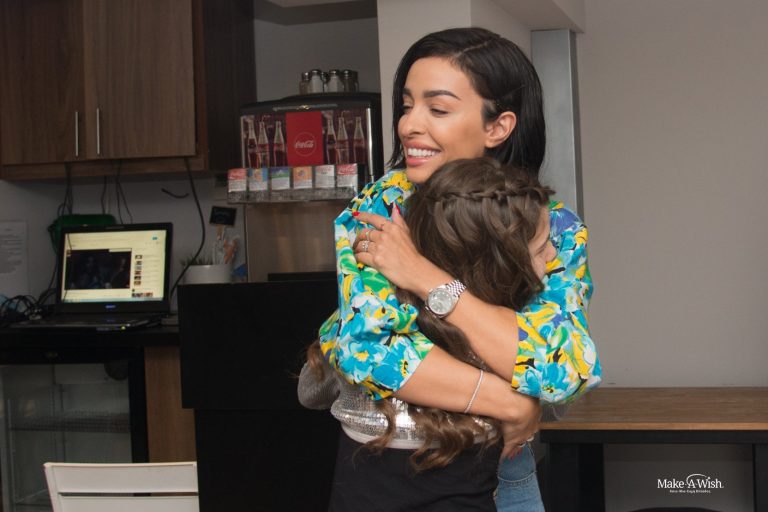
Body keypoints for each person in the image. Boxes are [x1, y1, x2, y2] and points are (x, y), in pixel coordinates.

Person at [315, 27, 601, 511]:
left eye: (438, 108)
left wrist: (424, 276)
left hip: (500, 471)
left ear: (498, 127)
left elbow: (561, 366)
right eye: (407, 105)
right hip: (383, 470)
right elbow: (368, 351)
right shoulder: (380, 207)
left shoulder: (554, 228)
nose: (409, 125)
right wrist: (511, 401)